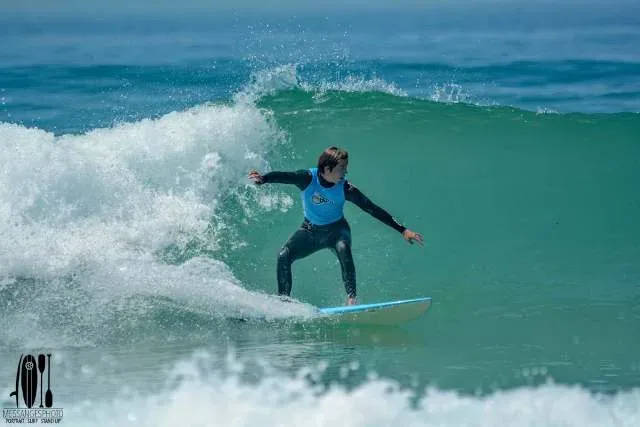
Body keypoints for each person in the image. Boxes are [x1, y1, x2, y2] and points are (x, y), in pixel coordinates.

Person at [248, 146, 424, 306]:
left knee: (344, 250)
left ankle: (351, 300)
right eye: (342, 169)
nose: (345, 172)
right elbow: (285, 176)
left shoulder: (345, 188)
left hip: (337, 231)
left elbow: (371, 208)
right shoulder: (308, 178)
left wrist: (403, 230)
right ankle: (283, 302)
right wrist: (264, 179)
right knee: (283, 255)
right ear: (327, 169)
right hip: (310, 231)